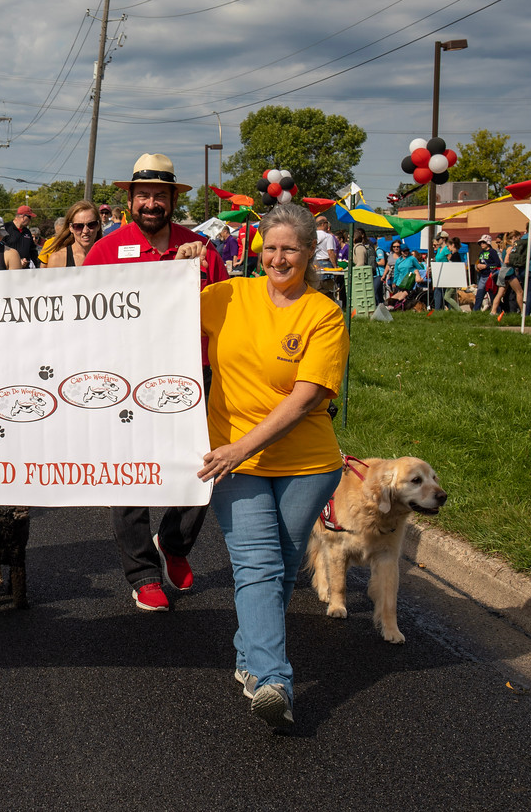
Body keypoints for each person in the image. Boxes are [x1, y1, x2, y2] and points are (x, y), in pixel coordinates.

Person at [185, 201, 348, 728]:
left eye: (291, 249)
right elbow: (157, 311)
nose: (279, 258)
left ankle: (249, 660)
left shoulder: (324, 313)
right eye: (271, 247)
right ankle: (276, 680)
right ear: (259, 249)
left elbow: (305, 399)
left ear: (309, 253)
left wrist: (241, 446)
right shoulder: (228, 294)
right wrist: (183, 265)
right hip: (234, 460)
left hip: (308, 464)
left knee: (277, 570)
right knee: (257, 565)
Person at [83, 153, 229, 611]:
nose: (151, 203)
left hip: (193, 374)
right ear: (130, 199)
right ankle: (143, 573)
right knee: (130, 473)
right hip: (127, 377)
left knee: (204, 465)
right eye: (143, 195)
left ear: (172, 200)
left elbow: (223, 317)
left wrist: (195, 274)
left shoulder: (201, 250)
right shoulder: (105, 251)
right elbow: (84, 317)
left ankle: (175, 544)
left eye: (160, 196)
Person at [40, 200, 101, 268]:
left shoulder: (108, 256)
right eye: (79, 226)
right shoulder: (58, 259)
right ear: (71, 228)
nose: (85, 231)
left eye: (91, 225)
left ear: (98, 226)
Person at [473, 235, 502, 311]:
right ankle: (475, 311)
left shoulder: (493, 252)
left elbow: (497, 264)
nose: (482, 244)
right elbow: (480, 262)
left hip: (491, 276)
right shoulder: (481, 253)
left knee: (493, 295)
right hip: (482, 276)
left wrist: (486, 266)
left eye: (483, 242)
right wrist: (478, 266)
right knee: (479, 295)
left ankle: (497, 311)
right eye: (480, 243)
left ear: (488, 243)